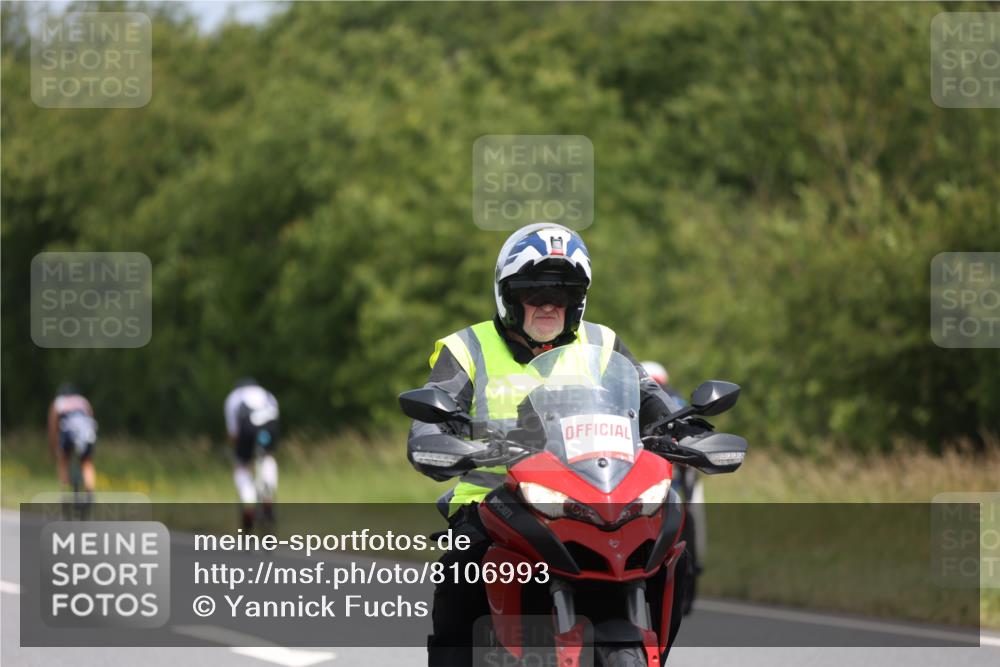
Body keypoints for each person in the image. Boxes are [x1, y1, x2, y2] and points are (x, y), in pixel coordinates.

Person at [408, 223, 694, 666]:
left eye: (561, 293)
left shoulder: (603, 344)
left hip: (596, 499)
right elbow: (434, 409)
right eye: (532, 292)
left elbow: (653, 403)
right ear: (507, 296)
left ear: (577, 301)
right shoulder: (468, 348)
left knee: (675, 550)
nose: (546, 304)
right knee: (459, 583)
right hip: (495, 502)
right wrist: (435, 439)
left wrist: (689, 431)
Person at [642, 360, 705, 615]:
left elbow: (692, 436)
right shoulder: (619, 403)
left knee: (690, 518)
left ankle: (691, 570)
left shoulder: (673, 403)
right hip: (641, 476)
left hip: (672, 479)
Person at [223, 378, 280, 532]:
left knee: (242, 466)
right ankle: (268, 494)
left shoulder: (234, 397)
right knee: (267, 456)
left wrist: (239, 452)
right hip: (269, 427)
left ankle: (248, 501)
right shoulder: (268, 394)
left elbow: (233, 434)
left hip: (247, 428)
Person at [47, 383, 98, 496]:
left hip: (68, 432)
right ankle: (90, 491)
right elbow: (90, 418)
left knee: (63, 460)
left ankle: (65, 492)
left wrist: (54, 448)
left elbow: (53, 427)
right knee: (86, 462)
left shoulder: (58, 402)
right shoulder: (83, 401)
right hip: (86, 433)